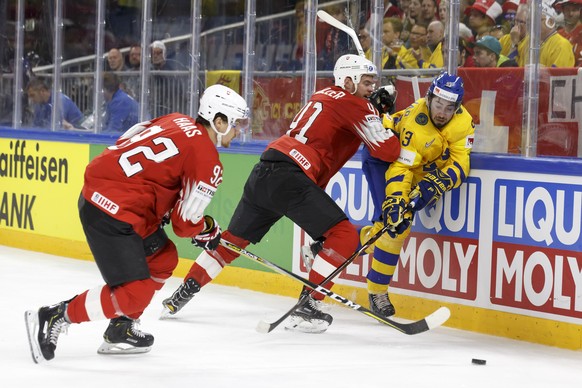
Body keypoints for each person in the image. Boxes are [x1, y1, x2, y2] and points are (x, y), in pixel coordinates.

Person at [160, 54, 401, 334]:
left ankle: (182, 293)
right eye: (367, 82)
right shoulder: (356, 104)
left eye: (374, 83)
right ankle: (309, 306)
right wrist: (381, 114)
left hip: (266, 170)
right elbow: (389, 150)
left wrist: (370, 105)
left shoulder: (324, 95)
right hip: (291, 177)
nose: (372, 88)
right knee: (345, 237)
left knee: (231, 242)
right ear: (348, 81)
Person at [24, 84, 249, 363]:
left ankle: (121, 327)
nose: (239, 131)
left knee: (164, 258)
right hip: (113, 212)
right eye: (236, 123)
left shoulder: (176, 120)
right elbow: (184, 224)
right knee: (132, 294)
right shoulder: (208, 160)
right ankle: (55, 315)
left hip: (111, 198)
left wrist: (158, 204)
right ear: (218, 120)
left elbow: (131, 137)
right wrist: (207, 229)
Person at [306, 73, 475, 318]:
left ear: (457, 108)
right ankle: (377, 292)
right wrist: (396, 200)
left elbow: (461, 164)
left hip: (414, 167)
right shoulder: (415, 124)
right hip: (382, 159)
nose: (442, 112)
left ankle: (326, 247)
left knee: (389, 227)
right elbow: (400, 168)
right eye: (438, 104)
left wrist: (435, 184)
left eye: (449, 107)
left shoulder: (464, 123)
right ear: (429, 98)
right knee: (394, 225)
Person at [554, 0, 582, 66]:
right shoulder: (557, 34)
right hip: (559, 73)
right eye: (567, 10)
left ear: (580, 11)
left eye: (574, 10)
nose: (570, 13)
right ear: (562, 11)